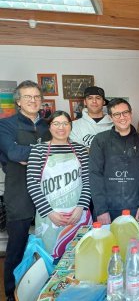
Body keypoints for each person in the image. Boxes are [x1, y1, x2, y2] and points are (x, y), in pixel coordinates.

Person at [0, 80, 51, 301]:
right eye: (28, 97)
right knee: (16, 248)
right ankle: (12, 295)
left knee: (49, 244)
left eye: (37, 97)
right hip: (18, 193)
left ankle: (44, 291)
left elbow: (58, 152)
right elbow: (13, 154)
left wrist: (28, 155)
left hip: (48, 193)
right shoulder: (5, 125)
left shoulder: (48, 126)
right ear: (19, 101)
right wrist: (41, 153)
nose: (33, 100)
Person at [26, 111, 92, 259]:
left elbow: (88, 181)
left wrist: (81, 208)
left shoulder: (80, 150)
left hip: (78, 214)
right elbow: (32, 184)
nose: (61, 127)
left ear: (70, 126)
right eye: (56, 123)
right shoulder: (39, 150)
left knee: (81, 258)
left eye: (65, 123)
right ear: (49, 127)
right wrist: (50, 213)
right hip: (49, 216)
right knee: (50, 260)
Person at [89, 98, 139, 224]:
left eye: (125, 112)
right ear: (110, 117)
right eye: (117, 114)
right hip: (107, 211)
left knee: (136, 243)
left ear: (131, 113)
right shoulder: (100, 140)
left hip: (136, 210)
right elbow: (95, 175)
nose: (122, 117)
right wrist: (101, 210)